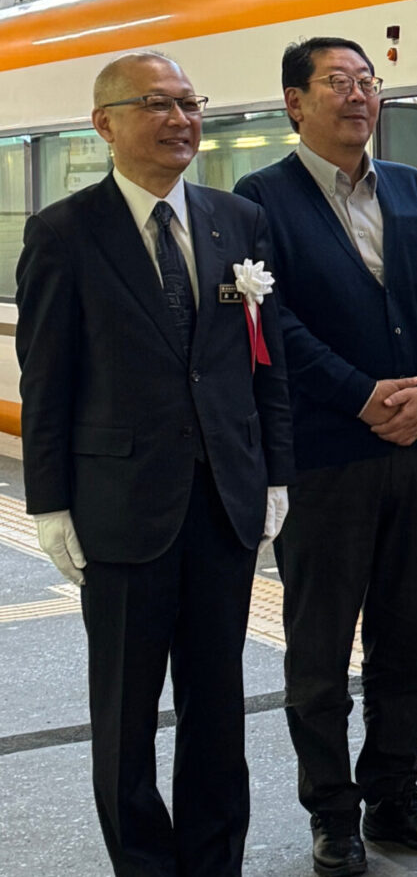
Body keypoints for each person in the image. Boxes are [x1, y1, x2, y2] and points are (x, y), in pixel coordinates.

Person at [16, 51, 294, 876]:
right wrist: (50, 504)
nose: (180, 120)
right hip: (120, 506)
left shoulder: (234, 222)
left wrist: (275, 472)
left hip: (222, 505)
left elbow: (263, 360)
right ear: (104, 124)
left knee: (218, 709)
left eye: (189, 103)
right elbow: (47, 379)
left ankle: (215, 863)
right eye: (156, 105)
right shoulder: (64, 231)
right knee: (127, 716)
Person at [234, 37, 417, 876]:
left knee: (408, 640)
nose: (358, 95)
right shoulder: (259, 200)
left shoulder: (410, 188)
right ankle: (331, 811)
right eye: (337, 82)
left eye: (368, 81)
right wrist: (363, 395)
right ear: (296, 102)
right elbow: (272, 322)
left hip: (416, 450)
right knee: (321, 646)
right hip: (326, 455)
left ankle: (394, 796)